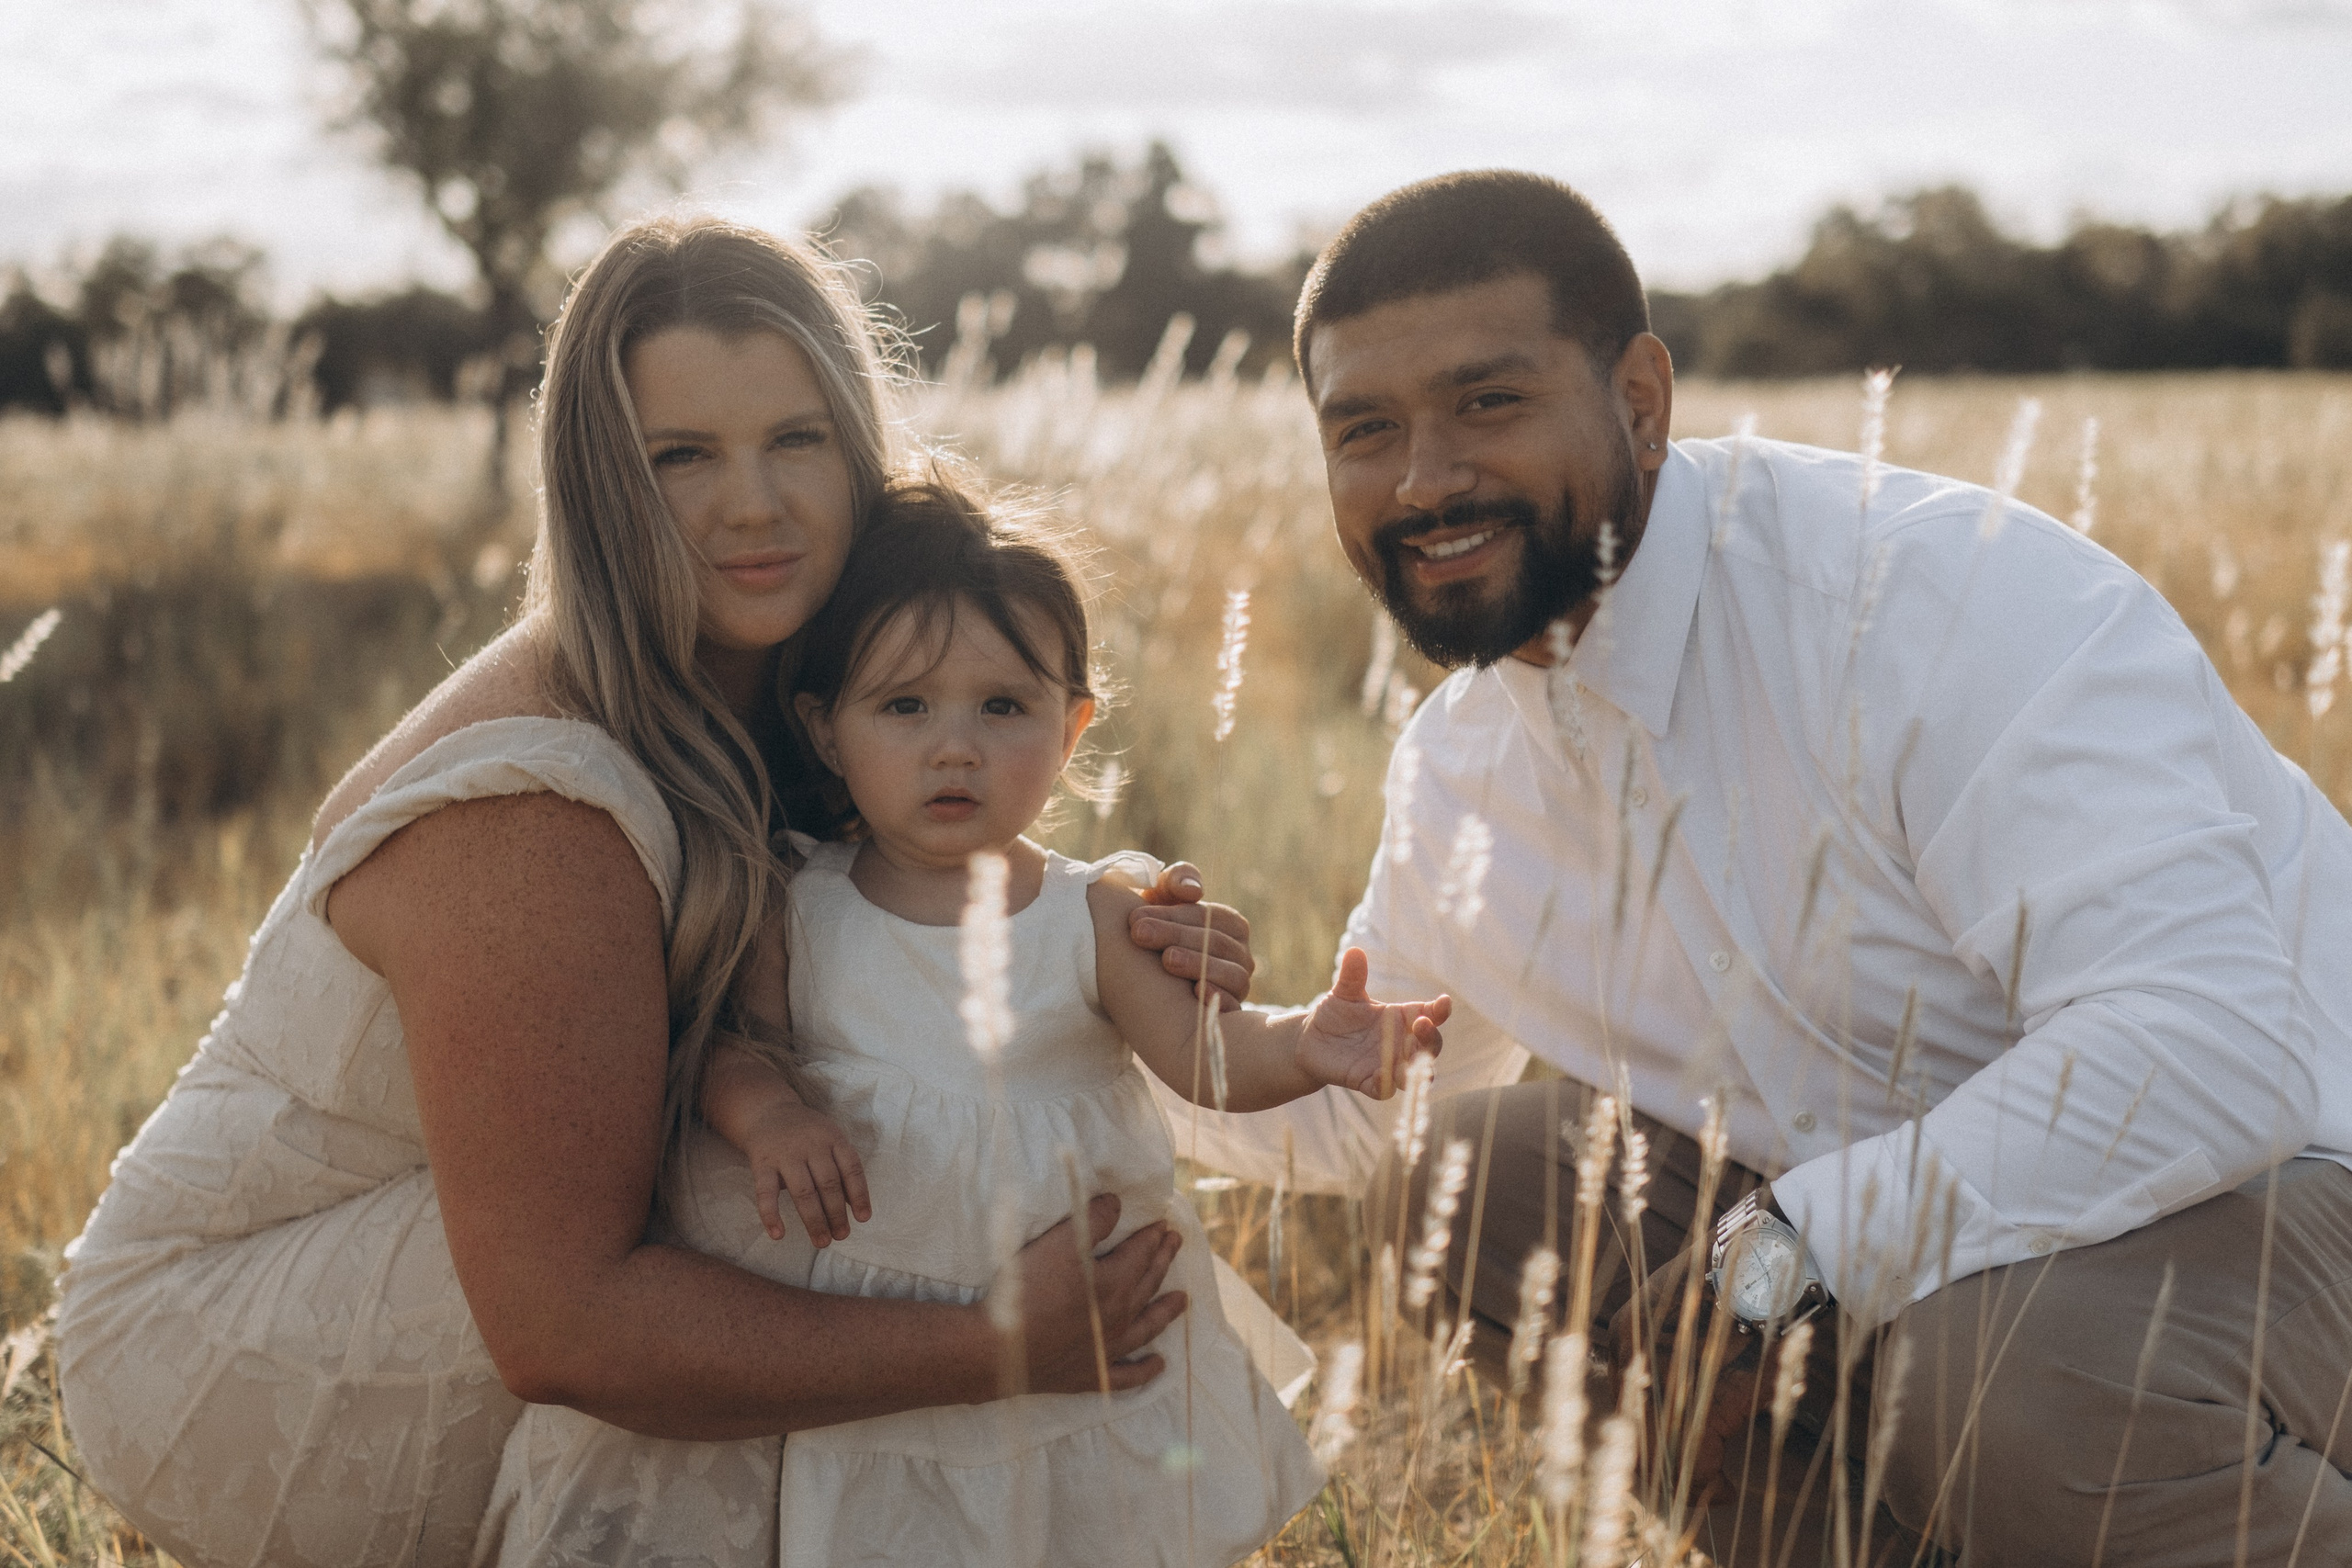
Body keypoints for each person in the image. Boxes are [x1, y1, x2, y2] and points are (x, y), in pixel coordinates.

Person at [1166, 170, 2352, 1566]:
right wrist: (1045, 976)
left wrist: (1782, 1252)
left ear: (1643, 400)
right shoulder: (1464, 762)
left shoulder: (1928, 597)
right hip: (1904, 1261)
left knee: (2009, 1375)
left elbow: (2215, 1046)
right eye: (1366, 428)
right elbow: (1363, 1107)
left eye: (1488, 402)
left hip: (2286, 1178)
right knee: (1464, 1176)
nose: (1424, 480)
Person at [51, 216, 1262, 1568]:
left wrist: (1119, 928)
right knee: (790, 1163)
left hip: (450, 1271)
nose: (754, 503)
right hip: (227, 1351)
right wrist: (999, 1343)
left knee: (901, 1095)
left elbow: (943, 907)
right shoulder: (537, 803)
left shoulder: (819, 672)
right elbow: (563, 1320)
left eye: (796, 439)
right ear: (600, 480)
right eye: (680, 455)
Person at [483, 479, 1450, 1564]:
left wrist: (1305, 1046)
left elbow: (1202, 1058)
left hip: (1088, 1339)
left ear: (1072, 722)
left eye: (1003, 707)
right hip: (889, 1350)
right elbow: (730, 1050)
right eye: (904, 708)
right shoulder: (799, 903)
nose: (956, 748)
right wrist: (772, 1120)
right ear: (826, 729)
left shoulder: (1095, 913)